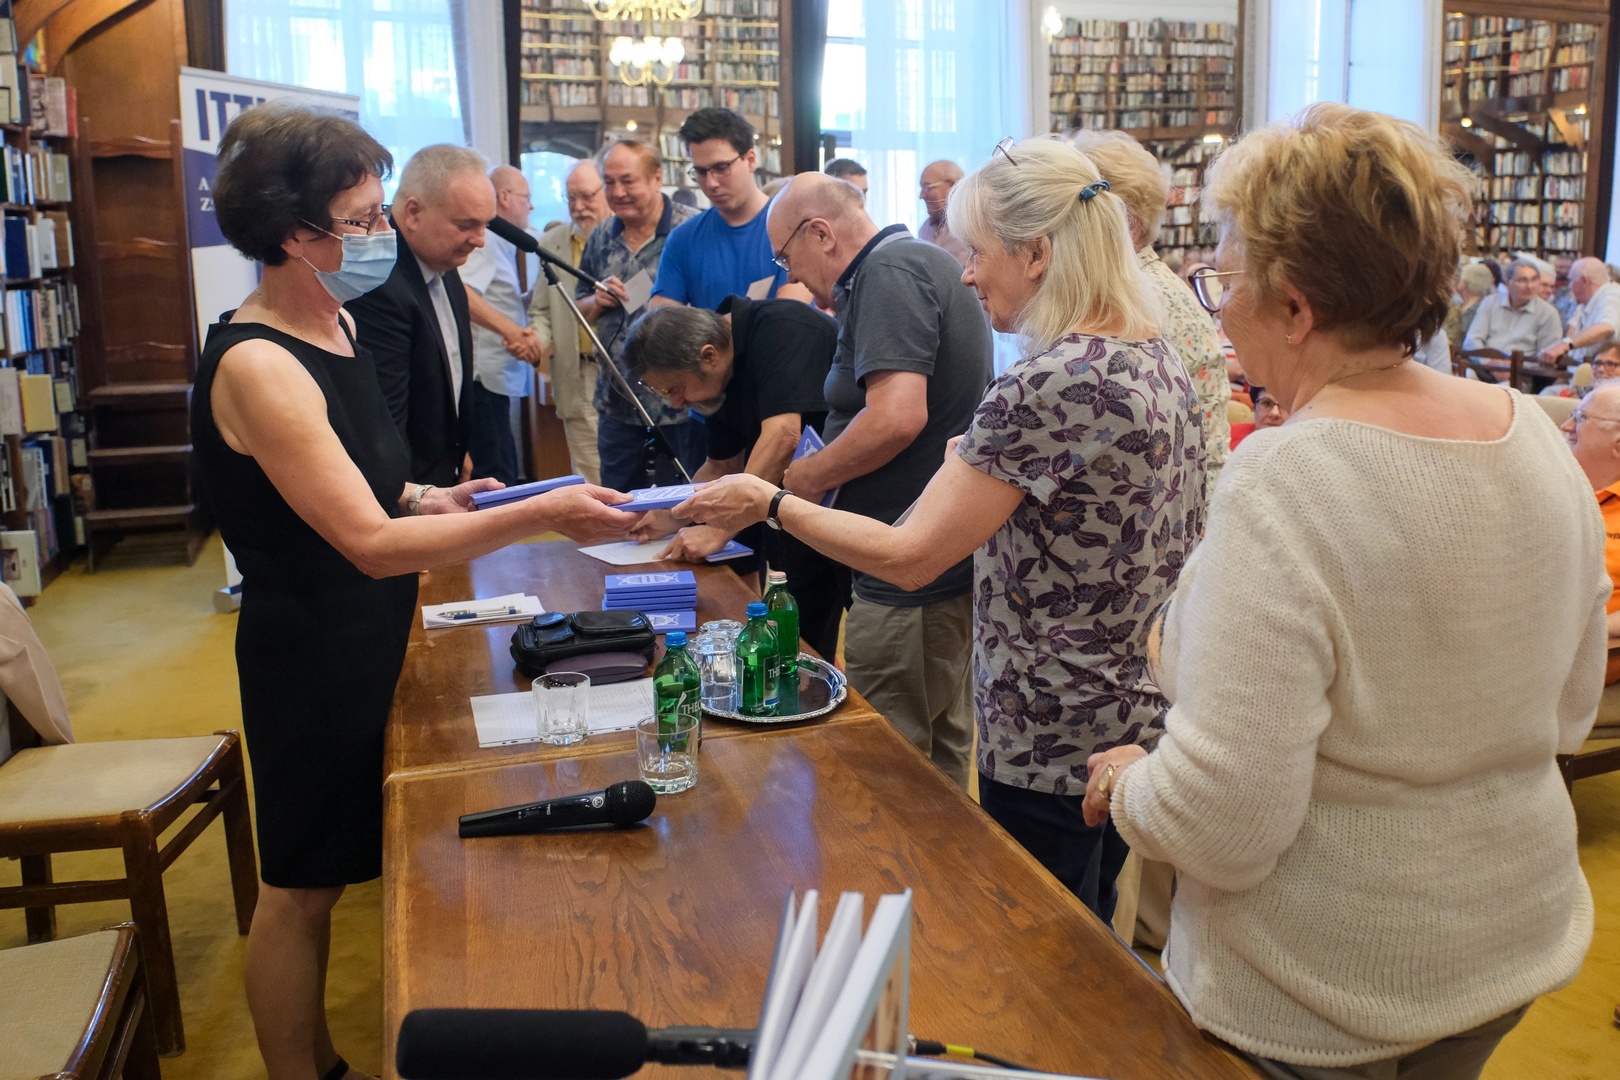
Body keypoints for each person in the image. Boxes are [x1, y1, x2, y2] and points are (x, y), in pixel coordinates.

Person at [1088, 103, 1601, 1079]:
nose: (1216, 310)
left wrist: (1128, 785)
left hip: (1325, 984)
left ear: (1295, 309)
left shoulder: (1289, 478)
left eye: (1223, 282)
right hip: (1506, 935)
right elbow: (1571, 709)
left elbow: (1223, 825)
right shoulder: (1531, 431)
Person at [197, 102, 636, 1080]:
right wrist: (542, 510)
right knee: (302, 888)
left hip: (373, 624)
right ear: (292, 235)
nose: (376, 236)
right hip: (313, 648)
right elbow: (364, 541)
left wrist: (431, 496)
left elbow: (366, 484)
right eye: (359, 221)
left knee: (375, 845)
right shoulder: (261, 362)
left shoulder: (339, 323)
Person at [685, 140, 1202, 920]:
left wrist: (771, 501)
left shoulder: (1047, 381)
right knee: (1089, 932)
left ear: (1036, 254)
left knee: (1039, 944)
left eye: (979, 253)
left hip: (1048, 728)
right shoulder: (1153, 354)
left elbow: (910, 557)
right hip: (1129, 714)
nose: (966, 274)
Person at [755, 171, 991, 792]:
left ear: (821, 233)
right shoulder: (903, 266)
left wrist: (807, 476)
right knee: (937, 751)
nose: (790, 275)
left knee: (889, 768)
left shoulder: (891, 271)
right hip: (924, 556)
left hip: (905, 566)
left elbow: (896, 416)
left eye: (785, 257)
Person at [621, 301, 846, 660]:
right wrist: (672, 515)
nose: (677, 403)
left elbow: (784, 435)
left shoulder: (780, 328)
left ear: (708, 356)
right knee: (799, 638)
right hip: (793, 505)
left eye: (676, 388)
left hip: (853, 501)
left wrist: (720, 528)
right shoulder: (718, 377)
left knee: (852, 640)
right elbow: (720, 466)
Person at [1073, 128, 1229, 502]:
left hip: (1175, 507)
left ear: (1126, 223)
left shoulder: (1135, 301)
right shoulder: (1140, 288)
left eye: (1075, 215)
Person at [345, 145, 513, 486]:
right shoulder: (379, 285)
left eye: (485, 225)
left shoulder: (443, 263)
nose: (480, 240)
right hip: (410, 492)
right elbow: (385, 424)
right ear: (413, 212)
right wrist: (417, 500)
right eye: (466, 225)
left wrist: (456, 451)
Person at [576, 141, 702, 491]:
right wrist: (597, 300)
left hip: (680, 406)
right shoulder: (601, 235)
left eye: (628, 181)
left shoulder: (690, 230)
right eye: (609, 182)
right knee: (617, 507)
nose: (618, 192)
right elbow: (580, 307)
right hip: (618, 405)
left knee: (683, 505)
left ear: (656, 178)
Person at [648, 107, 811, 311]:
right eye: (700, 172)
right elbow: (662, 318)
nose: (711, 183)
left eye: (721, 168)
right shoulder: (682, 239)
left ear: (750, 160)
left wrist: (711, 327)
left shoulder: (794, 228)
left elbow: (788, 314)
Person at [530, 159, 611, 484]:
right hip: (578, 373)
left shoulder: (626, 238)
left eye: (587, 196)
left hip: (627, 374)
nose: (578, 207)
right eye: (571, 198)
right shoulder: (552, 244)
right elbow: (541, 310)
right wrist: (534, 339)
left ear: (606, 191)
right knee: (591, 477)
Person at [462, 164, 543, 486]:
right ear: (505, 197)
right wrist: (511, 330)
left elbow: (493, 296)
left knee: (501, 468)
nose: (531, 206)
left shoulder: (503, 243)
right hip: (482, 378)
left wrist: (526, 301)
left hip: (493, 378)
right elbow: (463, 293)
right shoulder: (487, 240)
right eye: (527, 197)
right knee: (497, 477)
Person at [1560, 375, 1620, 682]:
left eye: (1581, 418)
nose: (1566, 426)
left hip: (1584, 662)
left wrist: (1584, 631)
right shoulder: (1548, 483)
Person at [1462, 257, 1564, 358]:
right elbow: (1472, 340)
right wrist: (1486, 361)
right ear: (1507, 283)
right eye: (1522, 280)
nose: (1530, 286)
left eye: (1534, 280)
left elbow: (1546, 355)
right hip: (1484, 364)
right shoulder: (1490, 303)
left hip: (1523, 367)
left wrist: (1513, 366)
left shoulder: (1548, 314)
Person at [1541, 256, 1620, 366]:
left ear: (1584, 281)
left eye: (1571, 281)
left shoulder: (1612, 295)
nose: (1569, 286)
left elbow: (1607, 327)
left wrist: (1565, 345)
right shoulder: (1585, 303)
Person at [916, 159, 970, 269]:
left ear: (953, 186)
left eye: (928, 187)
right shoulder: (925, 228)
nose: (921, 196)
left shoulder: (973, 227)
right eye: (922, 188)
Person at [1446, 262, 1494, 347]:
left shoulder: (1478, 308)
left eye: (1461, 279)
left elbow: (1463, 333)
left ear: (1466, 283)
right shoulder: (1462, 304)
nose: (1458, 281)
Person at [1552, 254, 1579, 327]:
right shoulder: (1551, 280)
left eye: (1562, 267)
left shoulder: (1574, 285)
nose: (1558, 270)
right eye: (1557, 267)